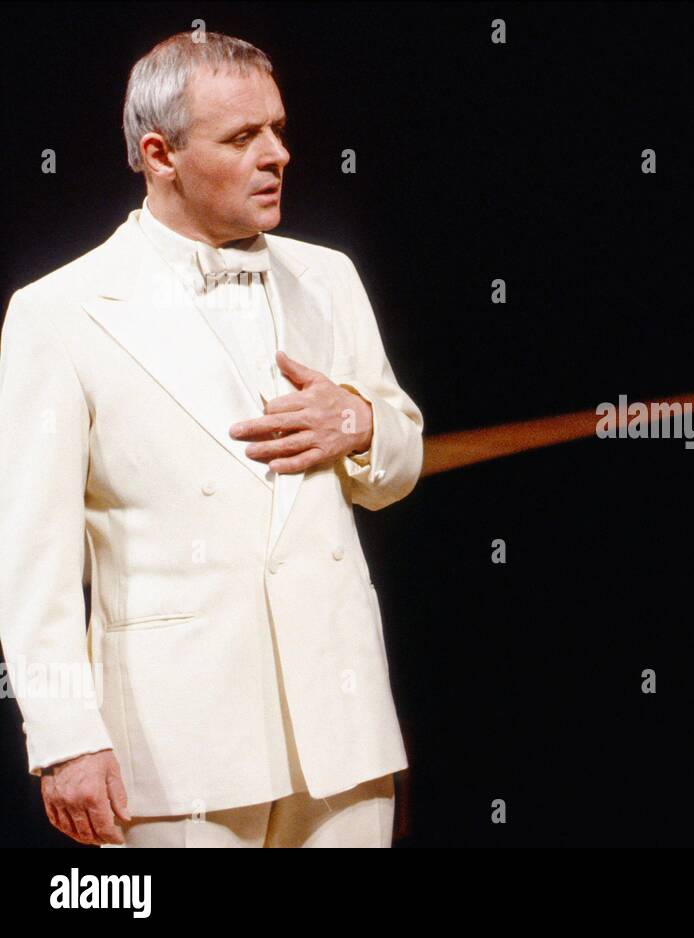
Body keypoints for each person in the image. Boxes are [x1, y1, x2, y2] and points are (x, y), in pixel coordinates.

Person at [0, 31, 425, 847]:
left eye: (278, 128)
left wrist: (363, 423)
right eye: (242, 138)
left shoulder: (328, 276)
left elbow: (394, 469)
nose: (280, 154)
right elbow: (33, 561)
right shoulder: (61, 311)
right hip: (174, 747)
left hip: (340, 734)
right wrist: (64, 740)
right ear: (159, 155)